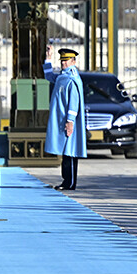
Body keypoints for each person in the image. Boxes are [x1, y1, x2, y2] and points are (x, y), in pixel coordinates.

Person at [44, 47, 86, 190]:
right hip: (62, 119)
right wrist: (48, 59)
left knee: (70, 151)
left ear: (73, 61)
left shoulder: (72, 78)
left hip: (68, 121)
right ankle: (66, 180)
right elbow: (49, 77)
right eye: (62, 60)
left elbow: (74, 102)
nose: (63, 63)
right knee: (65, 151)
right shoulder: (63, 76)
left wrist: (70, 121)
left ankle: (70, 182)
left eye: (66, 60)